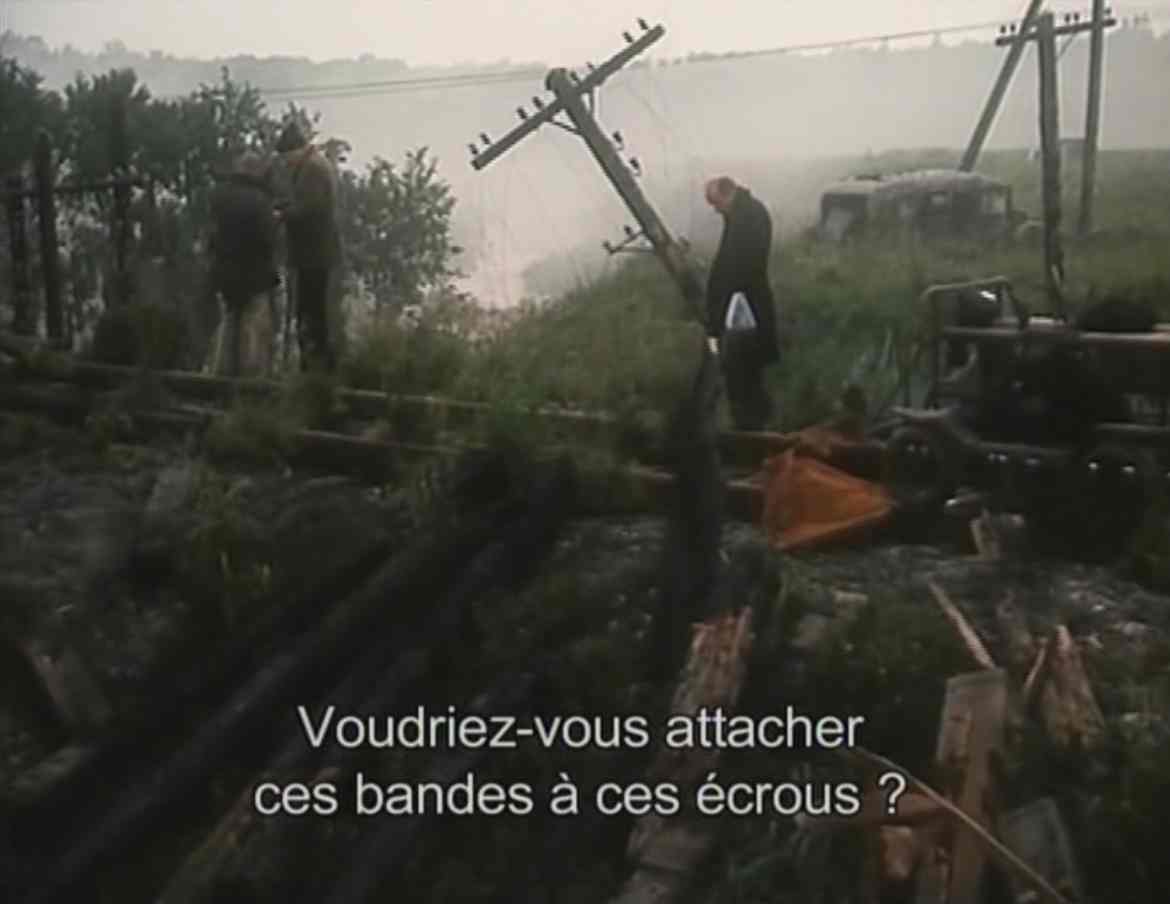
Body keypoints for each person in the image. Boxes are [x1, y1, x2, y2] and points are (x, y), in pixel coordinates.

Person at [703, 176, 780, 431]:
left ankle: (753, 428)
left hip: (745, 310)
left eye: (716, 203)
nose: (716, 210)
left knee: (746, 372)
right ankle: (752, 423)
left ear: (728, 194)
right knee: (744, 372)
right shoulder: (740, 215)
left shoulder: (749, 217)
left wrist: (719, 310)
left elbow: (737, 269)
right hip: (743, 308)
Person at [274, 121, 341, 372]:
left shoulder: (312, 169)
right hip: (316, 252)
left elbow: (310, 208)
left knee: (312, 313)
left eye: (286, 157)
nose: (286, 163)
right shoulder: (315, 165)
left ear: (295, 150)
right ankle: (316, 366)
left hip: (314, 252)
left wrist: (281, 215)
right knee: (313, 311)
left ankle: (315, 367)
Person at [207, 151, 280, 376]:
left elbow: (213, 234)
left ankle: (220, 371)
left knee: (228, 321)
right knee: (252, 325)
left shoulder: (220, 195)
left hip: (225, 270)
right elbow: (267, 239)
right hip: (254, 274)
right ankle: (249, 376)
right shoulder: (261, 201)